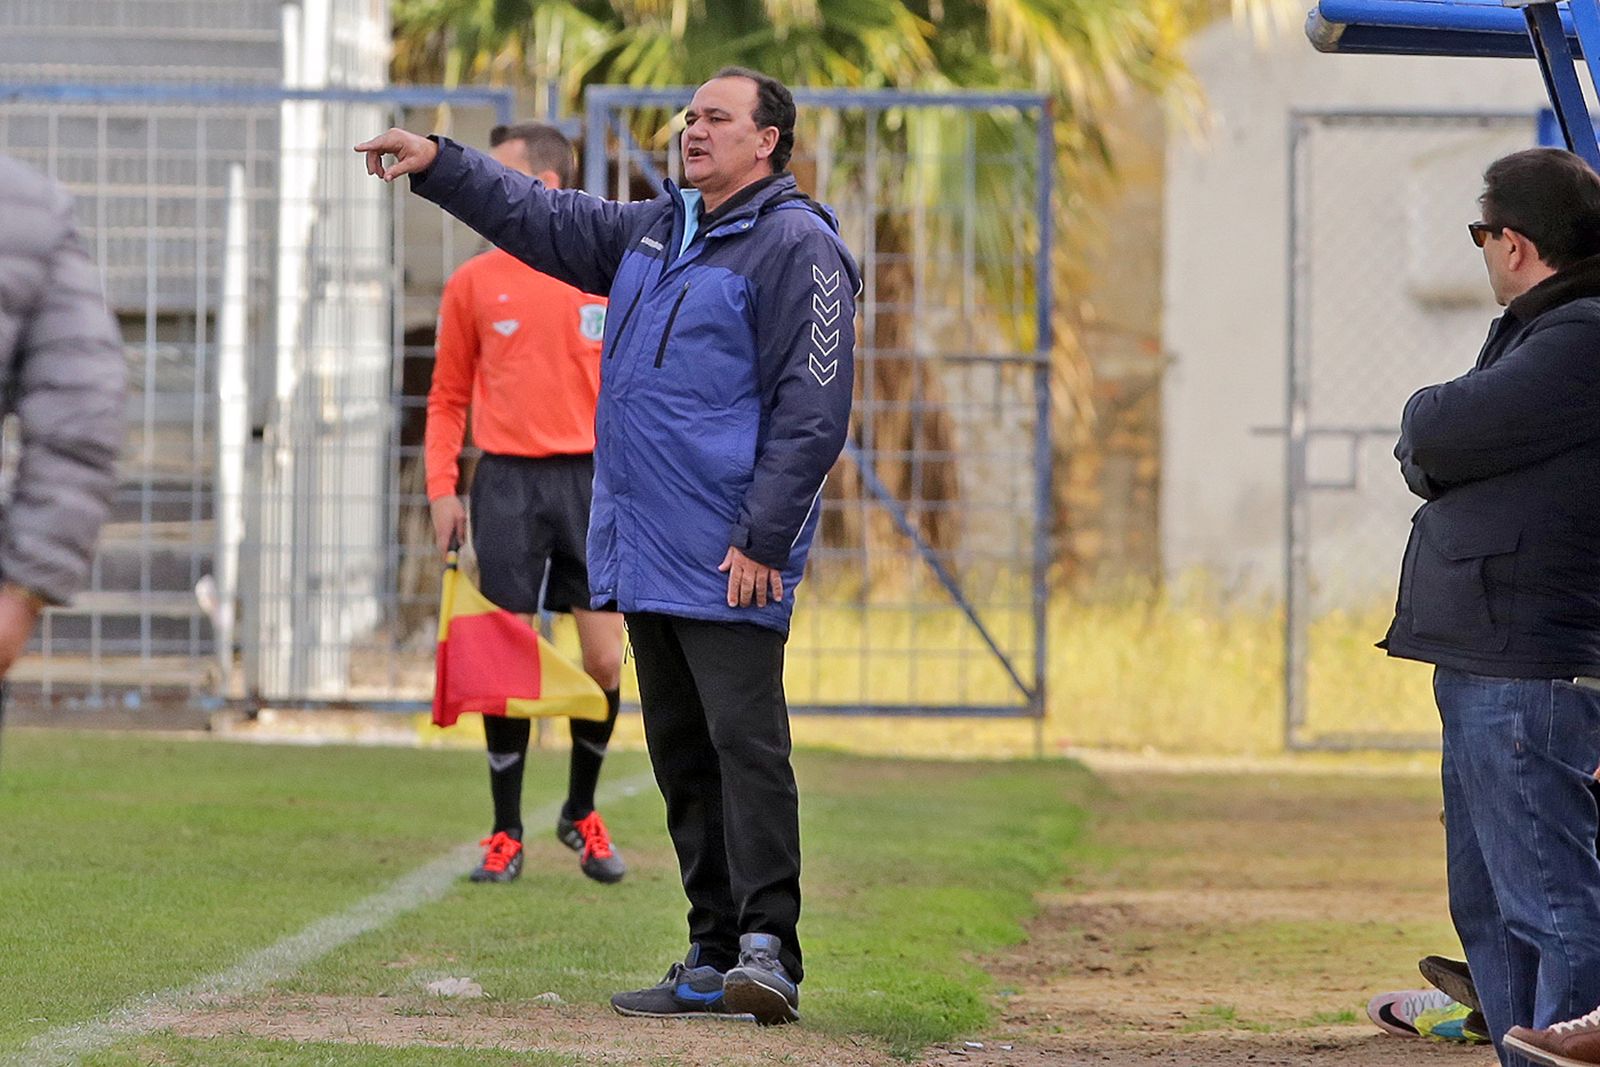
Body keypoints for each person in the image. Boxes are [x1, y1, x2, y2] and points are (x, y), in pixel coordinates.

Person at [359, 66, 857, 1025]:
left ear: (769, 141)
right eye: (690, 115)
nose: (693, 129)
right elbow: (537, 216)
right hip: (643, 550)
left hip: (729, 556)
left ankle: (770, 951)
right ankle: (710, 953)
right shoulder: (652, 232)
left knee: (745, 746)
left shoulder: (801, 248)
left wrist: (761, 535)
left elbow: (814, 413)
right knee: (678, 752)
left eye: (717, 118)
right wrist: (440, 165)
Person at [1382, 147, 1600, 1063]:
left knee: (1547, 899)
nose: (1481, 250)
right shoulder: (1544, 328)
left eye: (1481, 233)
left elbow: (1435, 429)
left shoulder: (1581, 332)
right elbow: (1447, 449)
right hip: (1488, 654)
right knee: (1491, 904)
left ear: (1514, 242)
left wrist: (1437, 438)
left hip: (1528, 663)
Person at [424, 122, 626, 887]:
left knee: (605, 656)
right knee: (504, 656)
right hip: (506, 482)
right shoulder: (473, 283)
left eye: (498, 176)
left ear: (543, 186)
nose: (484, 190)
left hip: (594, 483)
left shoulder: (605, 273)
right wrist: (442, 488)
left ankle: (580, 809)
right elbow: (446, 398)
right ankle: (505, 829)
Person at [0, 155, 124, 687]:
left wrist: (24, 589)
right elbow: (83, 407)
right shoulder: (25, 205)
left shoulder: (24, 209)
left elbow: (80, 412)